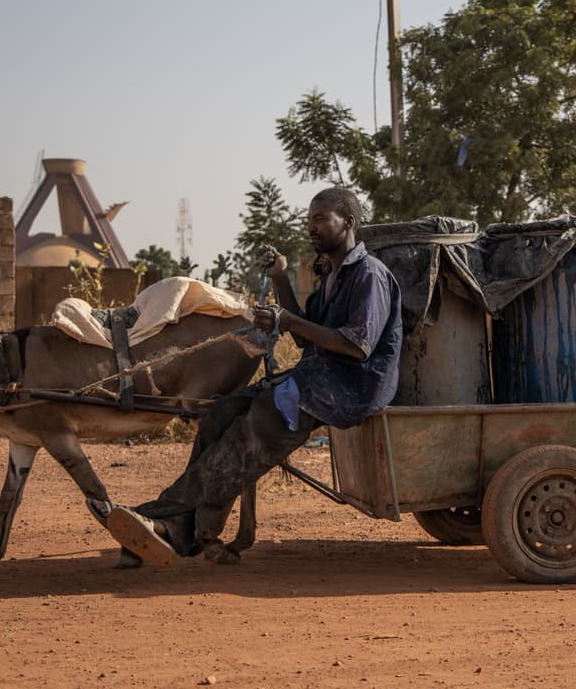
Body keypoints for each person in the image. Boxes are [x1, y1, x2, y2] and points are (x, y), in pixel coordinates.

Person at [103, 187, 403, 566]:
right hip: (316, 379)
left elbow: (357, 346)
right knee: (219, 415)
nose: (311, 227)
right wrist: (280, 280)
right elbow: (300, 334)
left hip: (347, 389)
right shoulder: (331, 275)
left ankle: (159, 517)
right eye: (309, 219)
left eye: (320, 219)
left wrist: (289, 319)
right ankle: (190, 532)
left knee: (248, 438)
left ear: (349, 223)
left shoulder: (369, 276)